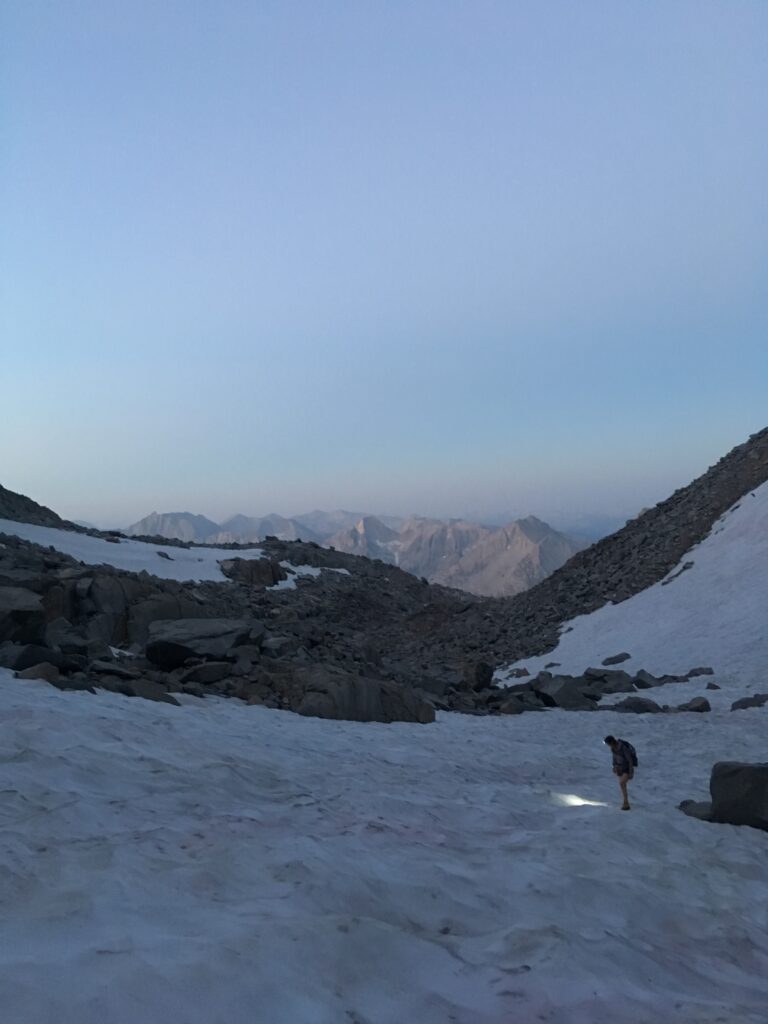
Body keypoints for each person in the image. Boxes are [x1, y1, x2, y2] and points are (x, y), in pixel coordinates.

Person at [604, 735, 635, 810]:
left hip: (626, 768)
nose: (608, 746)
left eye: (608, 744)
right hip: (620, 769)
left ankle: (626, 802)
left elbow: (630, 760)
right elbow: (614, 758)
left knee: (622, 783)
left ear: (611, 742)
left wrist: (631, 772)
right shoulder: (613, 749)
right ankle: (625, 802)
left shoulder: (623, 748)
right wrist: (614, 766)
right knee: (622, 785)